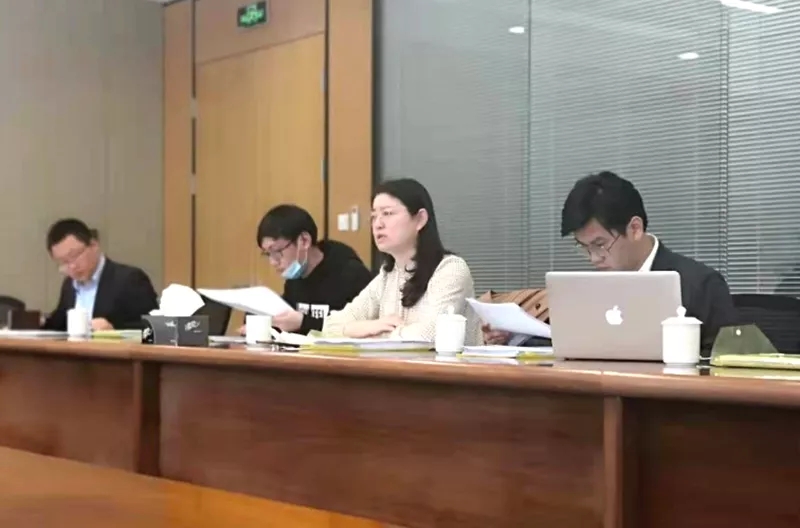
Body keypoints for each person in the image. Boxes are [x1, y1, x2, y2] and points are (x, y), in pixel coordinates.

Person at [487, 171, 737, 351]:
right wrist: (514, 338)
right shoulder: (589, 290)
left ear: (635, 228)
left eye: (600, 245)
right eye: (584, 247)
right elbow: (570, 345)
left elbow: (725, 368)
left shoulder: (700, 285)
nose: (594, 258)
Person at [323, 178, 483, 344]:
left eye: (387, 213)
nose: (377, 224)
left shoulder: (450, 269)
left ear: (420, 219)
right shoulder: (387, 276)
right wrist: (371, 326)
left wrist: (372, 335)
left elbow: (429, 335)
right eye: (373, 216)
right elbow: (330, 326)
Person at [251, 204, 372, 334]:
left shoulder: (351, 274)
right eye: (268, 254)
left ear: (304, 241)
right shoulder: (294, 279)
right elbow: (289, 324)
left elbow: (365, 326)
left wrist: (304, 322)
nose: (273, 262)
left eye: (277, 252)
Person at [41, 218, 158, 331]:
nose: (72, 266)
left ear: (94, 245)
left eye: (75, 256)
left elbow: (156, 329)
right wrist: (39, 321)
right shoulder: (69, 285)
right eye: (64, 262)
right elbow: (59, 324)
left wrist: (114, 330)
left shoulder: (129, 279)